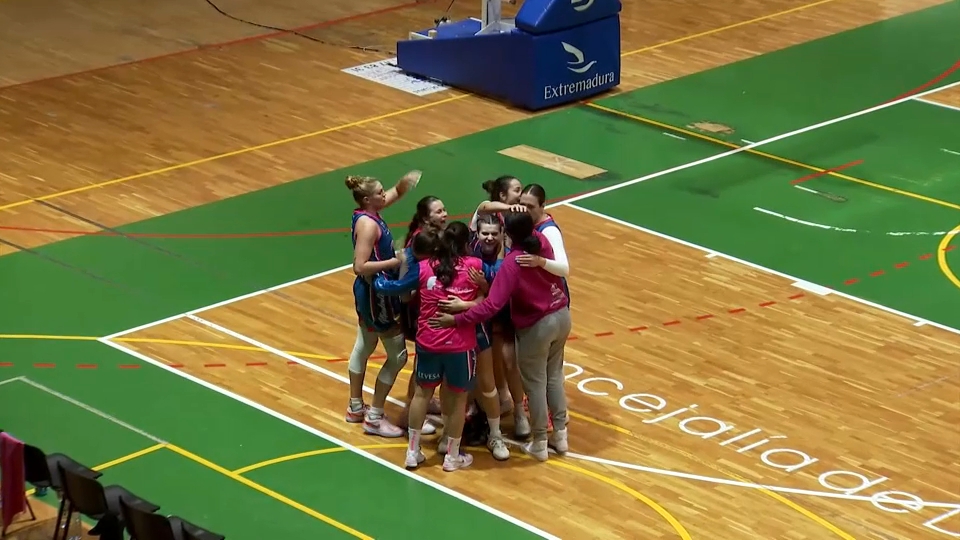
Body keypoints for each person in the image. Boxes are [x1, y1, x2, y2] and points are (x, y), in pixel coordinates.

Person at [431, 212, 571, 461]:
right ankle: (560, 435)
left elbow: (491, 306)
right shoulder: (541, 242)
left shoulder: (512, 263)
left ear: (506, 233)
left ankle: (540, 442)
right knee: (554, 377)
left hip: (538, 325)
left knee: (535, 384)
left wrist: (458, 318)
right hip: (562, 315)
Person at [375, 226, 483, 472]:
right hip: (459, 345)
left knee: (422, 394)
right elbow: (493, 291)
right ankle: (451, 456)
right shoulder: (475, 265)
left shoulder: (424, 267)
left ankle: (413, 452)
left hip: (428, 342)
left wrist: (380, 281)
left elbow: (399, 288)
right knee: (458, 399)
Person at [344, 171, 420, 438]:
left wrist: (404, 182)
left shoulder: (367, 211)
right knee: (398, 356)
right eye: (379, 192)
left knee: (364, 345)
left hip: (370, 292)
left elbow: (394, 194)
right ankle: (374, 417)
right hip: (378, 294)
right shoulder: (368, 225)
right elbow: (359, 266)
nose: (383, 194)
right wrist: (395, 261)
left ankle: (355, 407)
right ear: (368, 200)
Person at [436, 221, 510, 460]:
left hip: (476, 330)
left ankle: (495, 434)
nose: (488, 237)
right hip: (450, 332)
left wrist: (470, 300)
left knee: (486, 385)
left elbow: (490, 297)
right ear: (472, 239)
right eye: (483, 233)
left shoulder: (475, 265)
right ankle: (448, 434)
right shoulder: (435, 267)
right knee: (452, 387)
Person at [468, 177, 529, 437]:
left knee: (508, 359)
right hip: (479, 302)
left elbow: (505, 271)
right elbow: (483, 206)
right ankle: (472, 407)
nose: (521, 195)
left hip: (502, 301)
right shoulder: (485, 219)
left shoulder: (511, 230)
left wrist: (488, 283)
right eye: (517, 190)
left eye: (495, 234)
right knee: (474, 358)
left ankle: (519, 412)